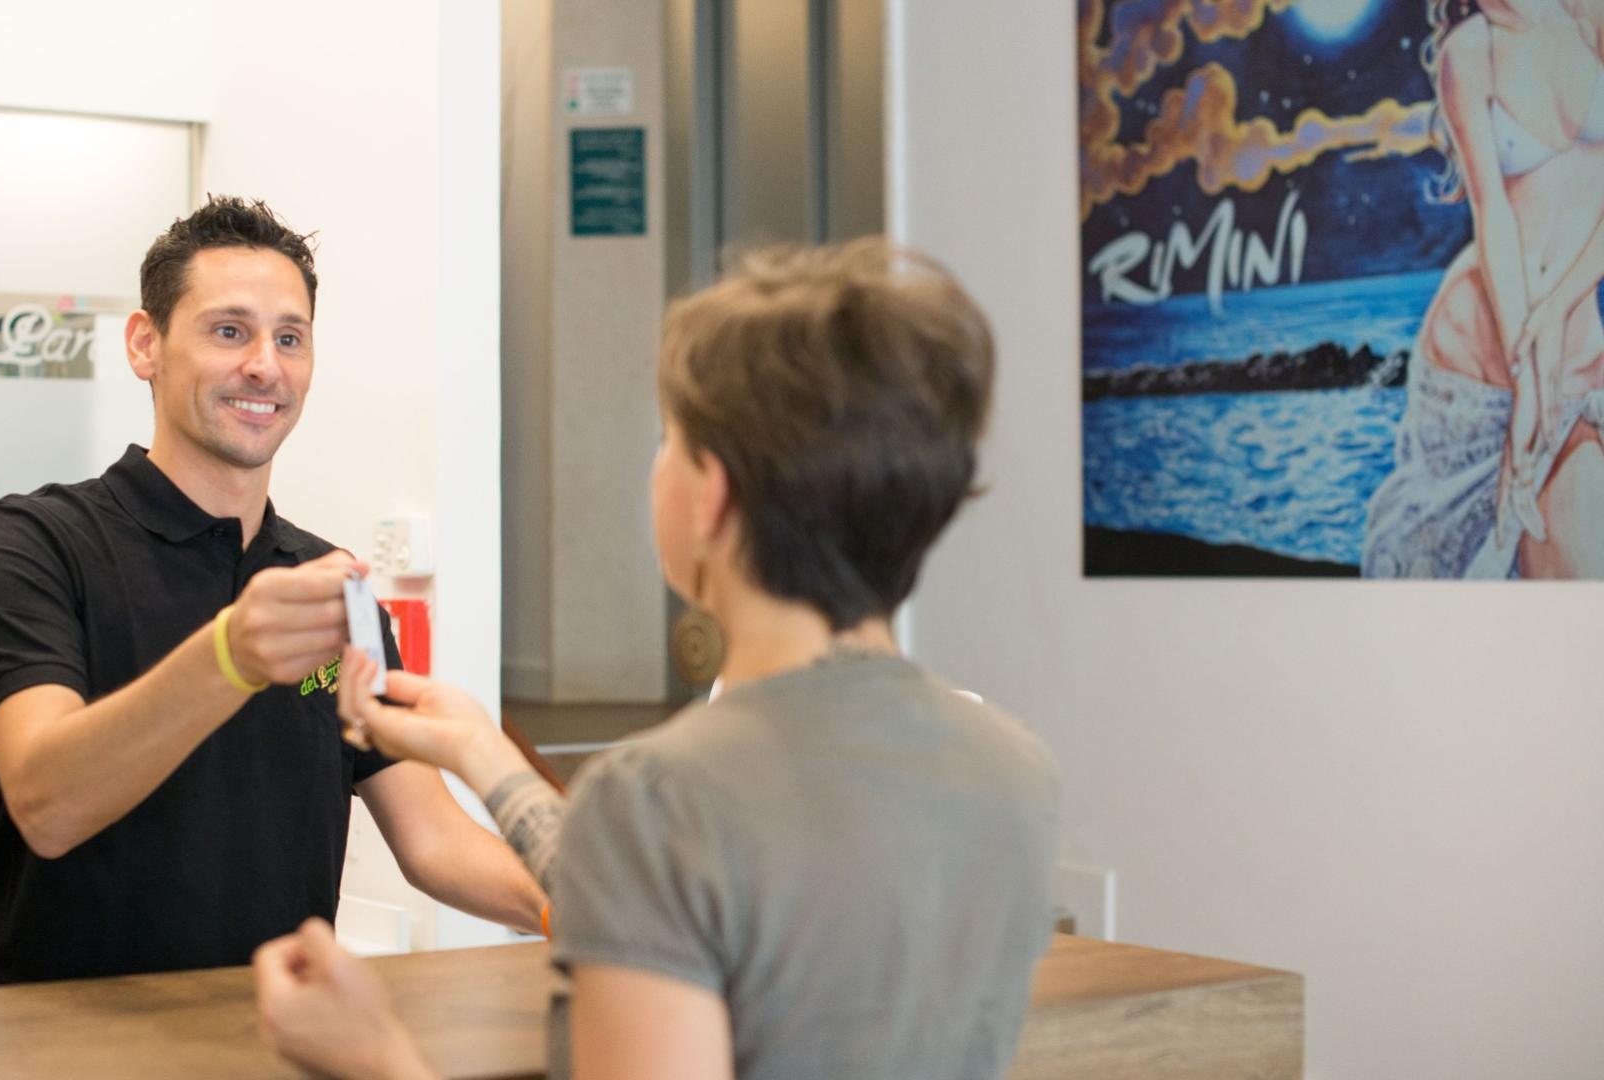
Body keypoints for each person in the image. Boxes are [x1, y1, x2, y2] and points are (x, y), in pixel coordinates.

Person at [254, 240, 1062, 1079]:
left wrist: (376, 1057)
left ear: (711, 496)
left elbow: (668, 859)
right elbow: (686, 896)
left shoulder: (661, 800)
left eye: (669, 440)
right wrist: (480, 753)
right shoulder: (1011, 767)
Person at [0, 197, 545, 985]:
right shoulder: (37, 543)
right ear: (146, 344)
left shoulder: (328, 586)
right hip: (64, 1053)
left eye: (290, 338)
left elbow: (432, 836)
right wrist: (230, 656)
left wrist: (583, 910)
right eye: (229, 331)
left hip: (278, 1043)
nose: (266, 365)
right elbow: (46, 805)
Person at [1363, 0, 1604, 577]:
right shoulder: (1469, 51)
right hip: (1480, 357)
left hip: (1572, 351)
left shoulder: (1590, 14)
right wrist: (1528, 374)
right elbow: (1490, 211)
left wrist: (1555, 311)